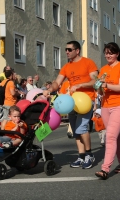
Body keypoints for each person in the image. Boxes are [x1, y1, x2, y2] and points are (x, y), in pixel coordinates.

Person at [42, 40, 98, 169]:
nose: (66, 52)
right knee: (75, 130)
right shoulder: (67, 66)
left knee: (82, 128)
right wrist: (50, 89)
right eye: (66, 49)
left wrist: (80, 85)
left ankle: (89, 155)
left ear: (77, 51)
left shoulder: (88, 62)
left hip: (86, 100)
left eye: (69, 49)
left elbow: (96, 81)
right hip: (72, 102)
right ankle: (81, 156)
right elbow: (57, 82)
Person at [94, 42, 120, 180]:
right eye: (106, 53)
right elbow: (100, 90)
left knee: (109, 136)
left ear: (117, 54)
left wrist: (105, 84)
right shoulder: (103, 69)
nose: (108, 55)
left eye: (111, 53)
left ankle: (105, 169)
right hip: (105, 106)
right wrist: (97, 86)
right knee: (113, 136)